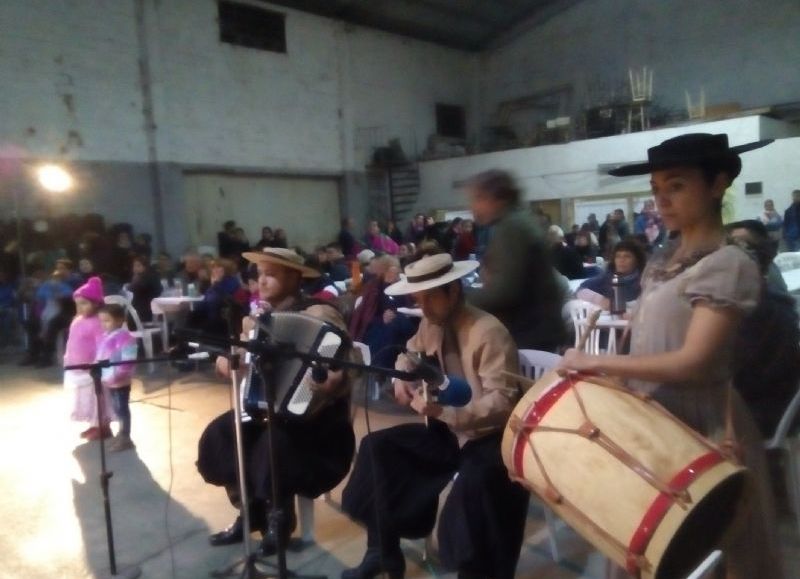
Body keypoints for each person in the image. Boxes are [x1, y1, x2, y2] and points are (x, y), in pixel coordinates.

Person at [559, 133, 783, 579]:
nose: (661, 198)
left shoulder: (728, 264)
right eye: (657, 187)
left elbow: (694, 362)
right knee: (648, 552)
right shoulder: (666, 259)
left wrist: (598, 363)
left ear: (718, 184)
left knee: (704, 555)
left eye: (676, 185)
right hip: (654, 422)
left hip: (701, 426)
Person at [341, 253, 529, 579]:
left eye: (430, 297)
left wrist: (445, 411)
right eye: (418, 298)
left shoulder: (488, 332)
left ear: (453, 292)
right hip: (446, 429)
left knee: (479, 486)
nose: (423, 307)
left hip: (488, 437)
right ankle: (383, 552)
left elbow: (502, 403)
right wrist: (402, 374)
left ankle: (474, 571)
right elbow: (410, 353)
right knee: (377, 449)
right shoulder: (432, 323)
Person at [197, 247, 356, 555]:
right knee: (222, 433)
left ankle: (278, 520)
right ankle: (250, 511)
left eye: (271, 274)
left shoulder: (321, 313)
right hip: (266, 409)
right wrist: (229, 361)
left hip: (317, 418)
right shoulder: (258, 319)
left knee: (274, 444)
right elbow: (242, 357)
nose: (262, 282)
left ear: (294, 278)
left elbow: (348, 362)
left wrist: (335, 381)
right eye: (260, 275)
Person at [465, 169, 565, 351]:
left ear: (497, 199)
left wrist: (460, 298)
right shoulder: (519, 221)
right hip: (539, 328)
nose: (473, 207)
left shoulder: (511, 228)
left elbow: (504, 292)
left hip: (529, 332)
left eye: (478, 199)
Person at [727, 219, 800, 438]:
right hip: (759, 408)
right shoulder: (756, 300)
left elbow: (742, 380)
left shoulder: (760, 308)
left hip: (758, 416)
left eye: (738, 246)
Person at [64, 277, 112, 441]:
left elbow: (102, 344)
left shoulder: (98, 322)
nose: (80, 307)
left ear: (96, 303)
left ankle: (102, 426)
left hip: (92, 369)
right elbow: (72, 341)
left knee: (97, 398)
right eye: (77, 303)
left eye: (84, 303)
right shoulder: (77, 320)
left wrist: (99, 362)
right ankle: (94, 425)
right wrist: (68, 358)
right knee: (85, 399)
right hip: (78, 367)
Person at [348, 255, 416, 369]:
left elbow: (413, 308)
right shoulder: (375, 286)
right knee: (380, 329)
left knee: (397, 323)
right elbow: (366, 315)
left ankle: (378, 368)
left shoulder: (407, 285)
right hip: (379, 324)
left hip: (405, 321)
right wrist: (382, 319)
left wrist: (398, 314)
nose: (394, 272)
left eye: (395, 269)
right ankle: (375, 367)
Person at [97, 303, 138, 452]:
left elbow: (127, 361)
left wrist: (117, 375)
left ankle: (125, 437)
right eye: (101, 321)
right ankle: (121, 435)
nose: (103, 324)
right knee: (116, 408)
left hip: (120, 381)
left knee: (122, 409)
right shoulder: (105, 336)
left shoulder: (126, 338)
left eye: (107, 321)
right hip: (109, 380)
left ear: (120, 320)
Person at [576, 239, 646, 310]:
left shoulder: (645, 280)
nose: (621, 260)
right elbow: (580, 289)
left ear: (637, 261)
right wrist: (600, 300)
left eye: (627, 256)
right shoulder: (606, 278)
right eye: (618, 256)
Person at [128, 255, 162, 323]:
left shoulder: (143, 278)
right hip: (148, 310)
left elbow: (132, 289)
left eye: (138, 266)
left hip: (143, 311)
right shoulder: (149, 276)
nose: (135, 268)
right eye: (134, 266)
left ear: (145, 267)